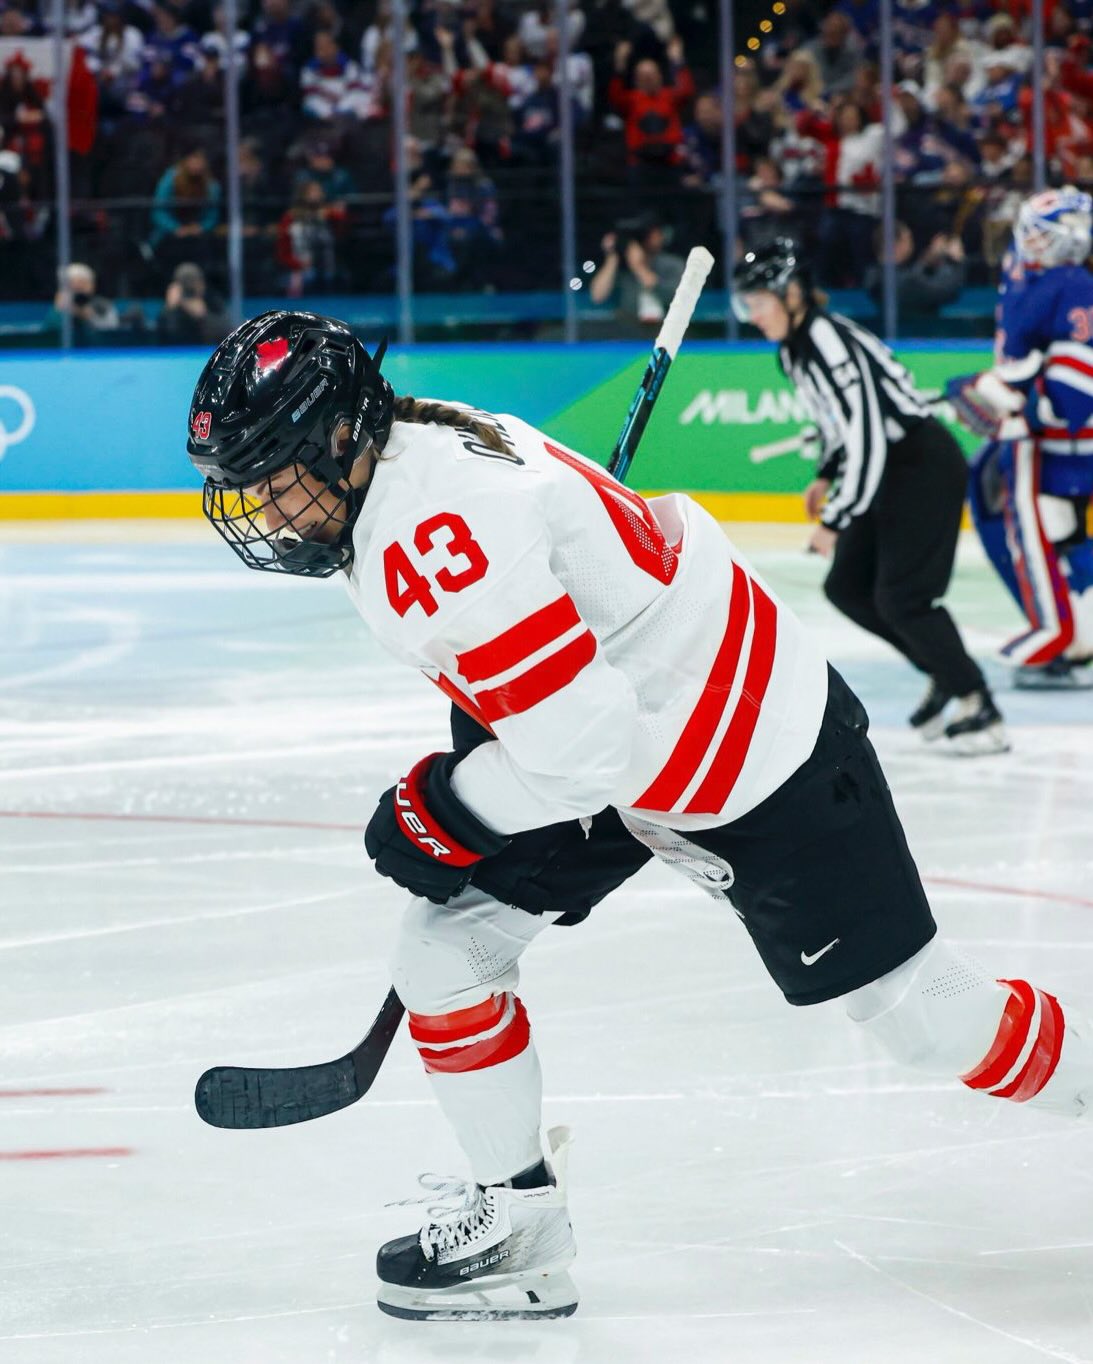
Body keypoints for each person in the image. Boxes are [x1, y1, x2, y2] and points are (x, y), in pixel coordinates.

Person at [184, 310, 1093, 1324]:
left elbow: (580, 750)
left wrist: (447, 808)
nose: (262, 507)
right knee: (445, 948)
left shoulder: (430, 534)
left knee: (926, 1019)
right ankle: (519, 1231)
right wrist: (484, 744)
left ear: (339, 436)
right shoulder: (418, 439)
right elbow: (564, 689)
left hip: (749, 740)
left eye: (274, 475)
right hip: (635, 722)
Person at [731, 237, 1008, 754]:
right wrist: (826, 472)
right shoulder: (794, 350)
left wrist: (835, 518)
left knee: (904, 598)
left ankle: (978, 702)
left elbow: (868, 434)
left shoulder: (826, 339)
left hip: (920, 467)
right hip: (887, 470)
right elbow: (837, 424)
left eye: (759, 302)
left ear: (792, 294)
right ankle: (944, 670)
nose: (753, 315)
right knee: (847, 587)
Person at [946, 186, 1093, 687]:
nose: (1027, 238)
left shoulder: (1073, 284)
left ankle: (1066, 638)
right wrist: (992, 388)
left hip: (1059, 442)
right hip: (1034, 437)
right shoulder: (1026, 273)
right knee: (996, 503)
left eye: (1040, 231)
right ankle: (1062, 631)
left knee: (1055, 527)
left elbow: (1075, 384)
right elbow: (1022, 359)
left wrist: (1023, 409)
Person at [589, 213, 685, 325]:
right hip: (629, 328)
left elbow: (675, 297)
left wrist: (638, 266)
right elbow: (597, 296)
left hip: (666, 327)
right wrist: (612, 257)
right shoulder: (622, 268)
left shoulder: (672, 264)